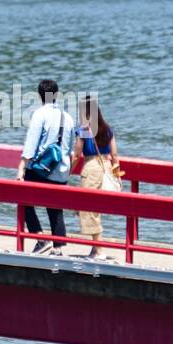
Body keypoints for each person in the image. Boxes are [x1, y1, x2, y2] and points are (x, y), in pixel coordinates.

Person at [17, 79, 77, 254]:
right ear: (57, 95)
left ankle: (41, 238)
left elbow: (31, 145)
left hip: (42, 171)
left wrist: (21, 167)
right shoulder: (68, 117)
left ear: (40, 96)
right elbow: (69, 149)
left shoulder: (39, 114)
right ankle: (58, 247)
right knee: (55, 208)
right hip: (61, 172)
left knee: (23, 200)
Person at [74, 95, 121, 260]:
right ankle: (95, 248)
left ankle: (100, 249)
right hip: (106, 166)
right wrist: (117, 175)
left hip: (91, 167)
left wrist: (69, 172)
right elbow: (114, 155)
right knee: (93, 208)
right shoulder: (107, 129)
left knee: (88, 209)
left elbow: (77, 154)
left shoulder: (84, 130)